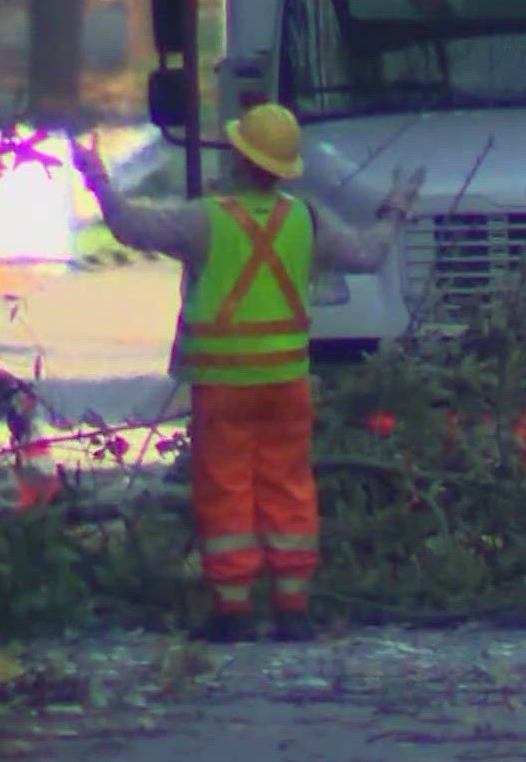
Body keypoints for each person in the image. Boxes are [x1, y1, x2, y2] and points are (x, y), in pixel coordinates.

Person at [69, 103, 425, 644]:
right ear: (284, 168)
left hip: (223, 385)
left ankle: (232, 609)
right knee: (289, 484)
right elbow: (367, 253)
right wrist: (396, 207)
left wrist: (95, 176)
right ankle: (292, 607)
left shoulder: (204, 219)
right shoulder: (304, 218)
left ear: (238, 158)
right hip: (286, 383)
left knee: (225, 485)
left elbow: (130, 227)